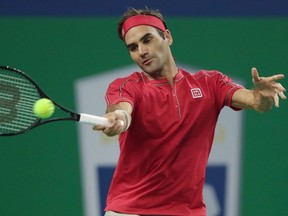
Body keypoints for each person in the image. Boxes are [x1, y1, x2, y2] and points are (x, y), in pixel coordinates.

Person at [93, 7, 286, 216]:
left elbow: (256, 102)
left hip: (187, 211)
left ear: (167, 37)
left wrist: (263, 96)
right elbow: (121, 110)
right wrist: (118, 119)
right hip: (130, 211)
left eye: (147, 40)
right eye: (133, 47)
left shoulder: (210, 83)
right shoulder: (127, 86)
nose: (141, 52)